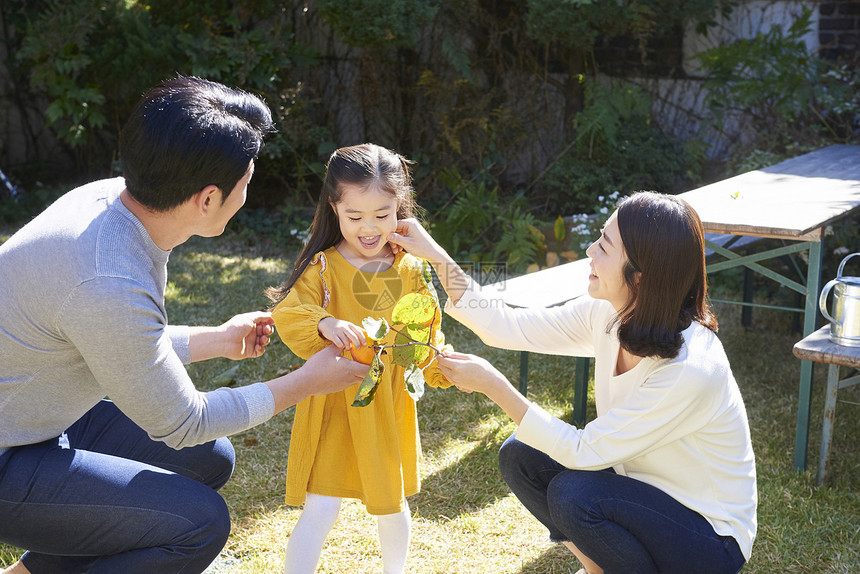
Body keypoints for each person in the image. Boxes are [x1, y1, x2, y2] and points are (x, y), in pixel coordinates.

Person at [0, 76, 368, 574]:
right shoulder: (108, 278)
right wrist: (306, 382)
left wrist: (214, 341)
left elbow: (115, 340)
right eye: (246, 180)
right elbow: (181, 421)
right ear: (208, 198)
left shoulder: (113, 203)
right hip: (10, 448)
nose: (248, 192)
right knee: (197, 523)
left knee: (208, 459)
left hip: (34, 412)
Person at [389, 191, 757, 574]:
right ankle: (600, 568)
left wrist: (493, 385)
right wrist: (435, 255)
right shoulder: (611, 313)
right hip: (637, 491)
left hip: (710, 540)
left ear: (641, 274)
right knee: (521, 454)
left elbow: (584, 452)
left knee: (575, 495)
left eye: (605, 246)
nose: (589, 250)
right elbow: (505, 325)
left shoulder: (690, 368)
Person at [266, 143, 452, 574]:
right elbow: (290, 311)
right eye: (355, 217)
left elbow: (424, 330)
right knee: (320, 509)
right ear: (334, 209)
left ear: (399, 208)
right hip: (333, 399)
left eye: (382, 215)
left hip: (384, 406)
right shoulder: (325, 267)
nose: (369, 228)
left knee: (391, 507)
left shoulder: (410, 268)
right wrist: (324, 324)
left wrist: (435, 361)